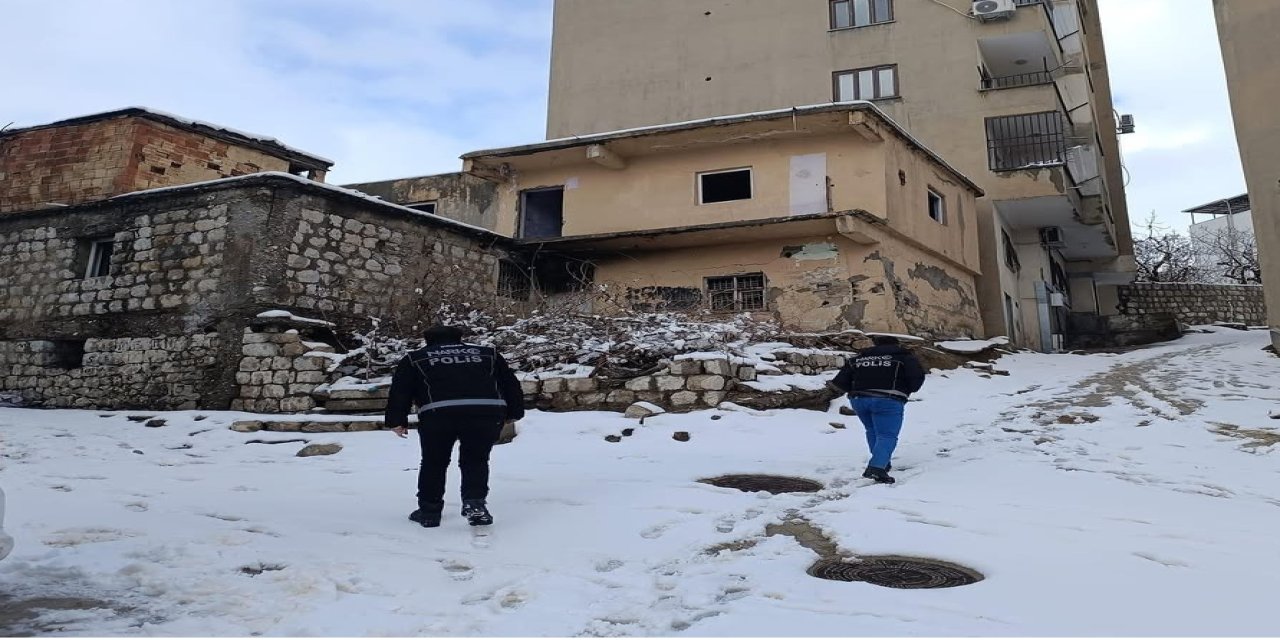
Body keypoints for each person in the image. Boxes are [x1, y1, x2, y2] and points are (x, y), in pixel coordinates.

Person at [385, 325, 525, 528]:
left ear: (428, 340)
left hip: (438, 415)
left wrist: (396, 420)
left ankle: (429, 512)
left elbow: (401, 391)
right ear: (460, 338)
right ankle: (475, 505)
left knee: (434, 462)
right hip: (485, 413)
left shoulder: (416, 358)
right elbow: (510, 384)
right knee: (476, 460)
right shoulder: (488, 354)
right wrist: (514, 412)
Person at [830, 334, 926, 484]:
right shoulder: (904, 357)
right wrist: (906, 390)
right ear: (896, 344)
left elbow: (840, 382)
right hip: (888, 400)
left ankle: (882, 461)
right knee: (887, 435)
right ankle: (876, 468)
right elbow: (916, 378)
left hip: (859, 400)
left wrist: (857, 390)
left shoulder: (859, 358)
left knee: (872, 430)